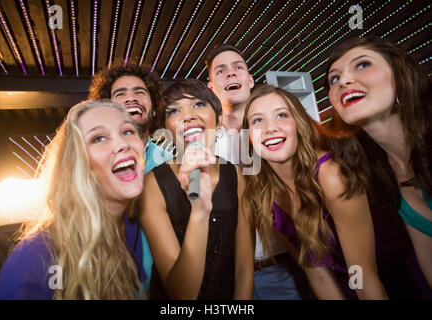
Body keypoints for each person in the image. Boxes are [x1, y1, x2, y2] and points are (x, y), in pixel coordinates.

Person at [243, 84, 392, 299]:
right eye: (257, 120)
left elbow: (362, 274)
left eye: (281, 115)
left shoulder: (331, 176)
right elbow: (316, 273)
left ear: (298, 124)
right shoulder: (265, 195)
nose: (270, 128)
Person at [0, 100, 145, 299]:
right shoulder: (35, 257)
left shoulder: (132, 230)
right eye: (98, 138)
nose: (122, 144)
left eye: (127, 131)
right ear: (76, 163)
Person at [325, 36, 432, 289]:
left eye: (362, 65)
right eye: (334, 79)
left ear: (400, 75)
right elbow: (428, 258)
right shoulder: (379, 173)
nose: (345, 81)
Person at [205, 44, 310, 300]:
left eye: (238, 67)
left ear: (250, 80)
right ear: (210, 87)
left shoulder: (284, 135)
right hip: (226, 278)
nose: (231, 73)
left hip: (284, 269)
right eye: (221, 70)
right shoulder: (204, 145)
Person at [137, 79, 254, 299]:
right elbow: (181, 295)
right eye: (174, 110)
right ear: (166, 130)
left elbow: (244, 270)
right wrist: (199, 211)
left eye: (199, 104)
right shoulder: (152, 186)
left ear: (219, 120)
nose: (188, 115)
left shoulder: (236, 176)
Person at [89, 61, 173, 296]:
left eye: (140, 92)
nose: (131, 98)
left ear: (154, 109)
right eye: (120, 94)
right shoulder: (91, 164)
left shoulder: (173, 163)